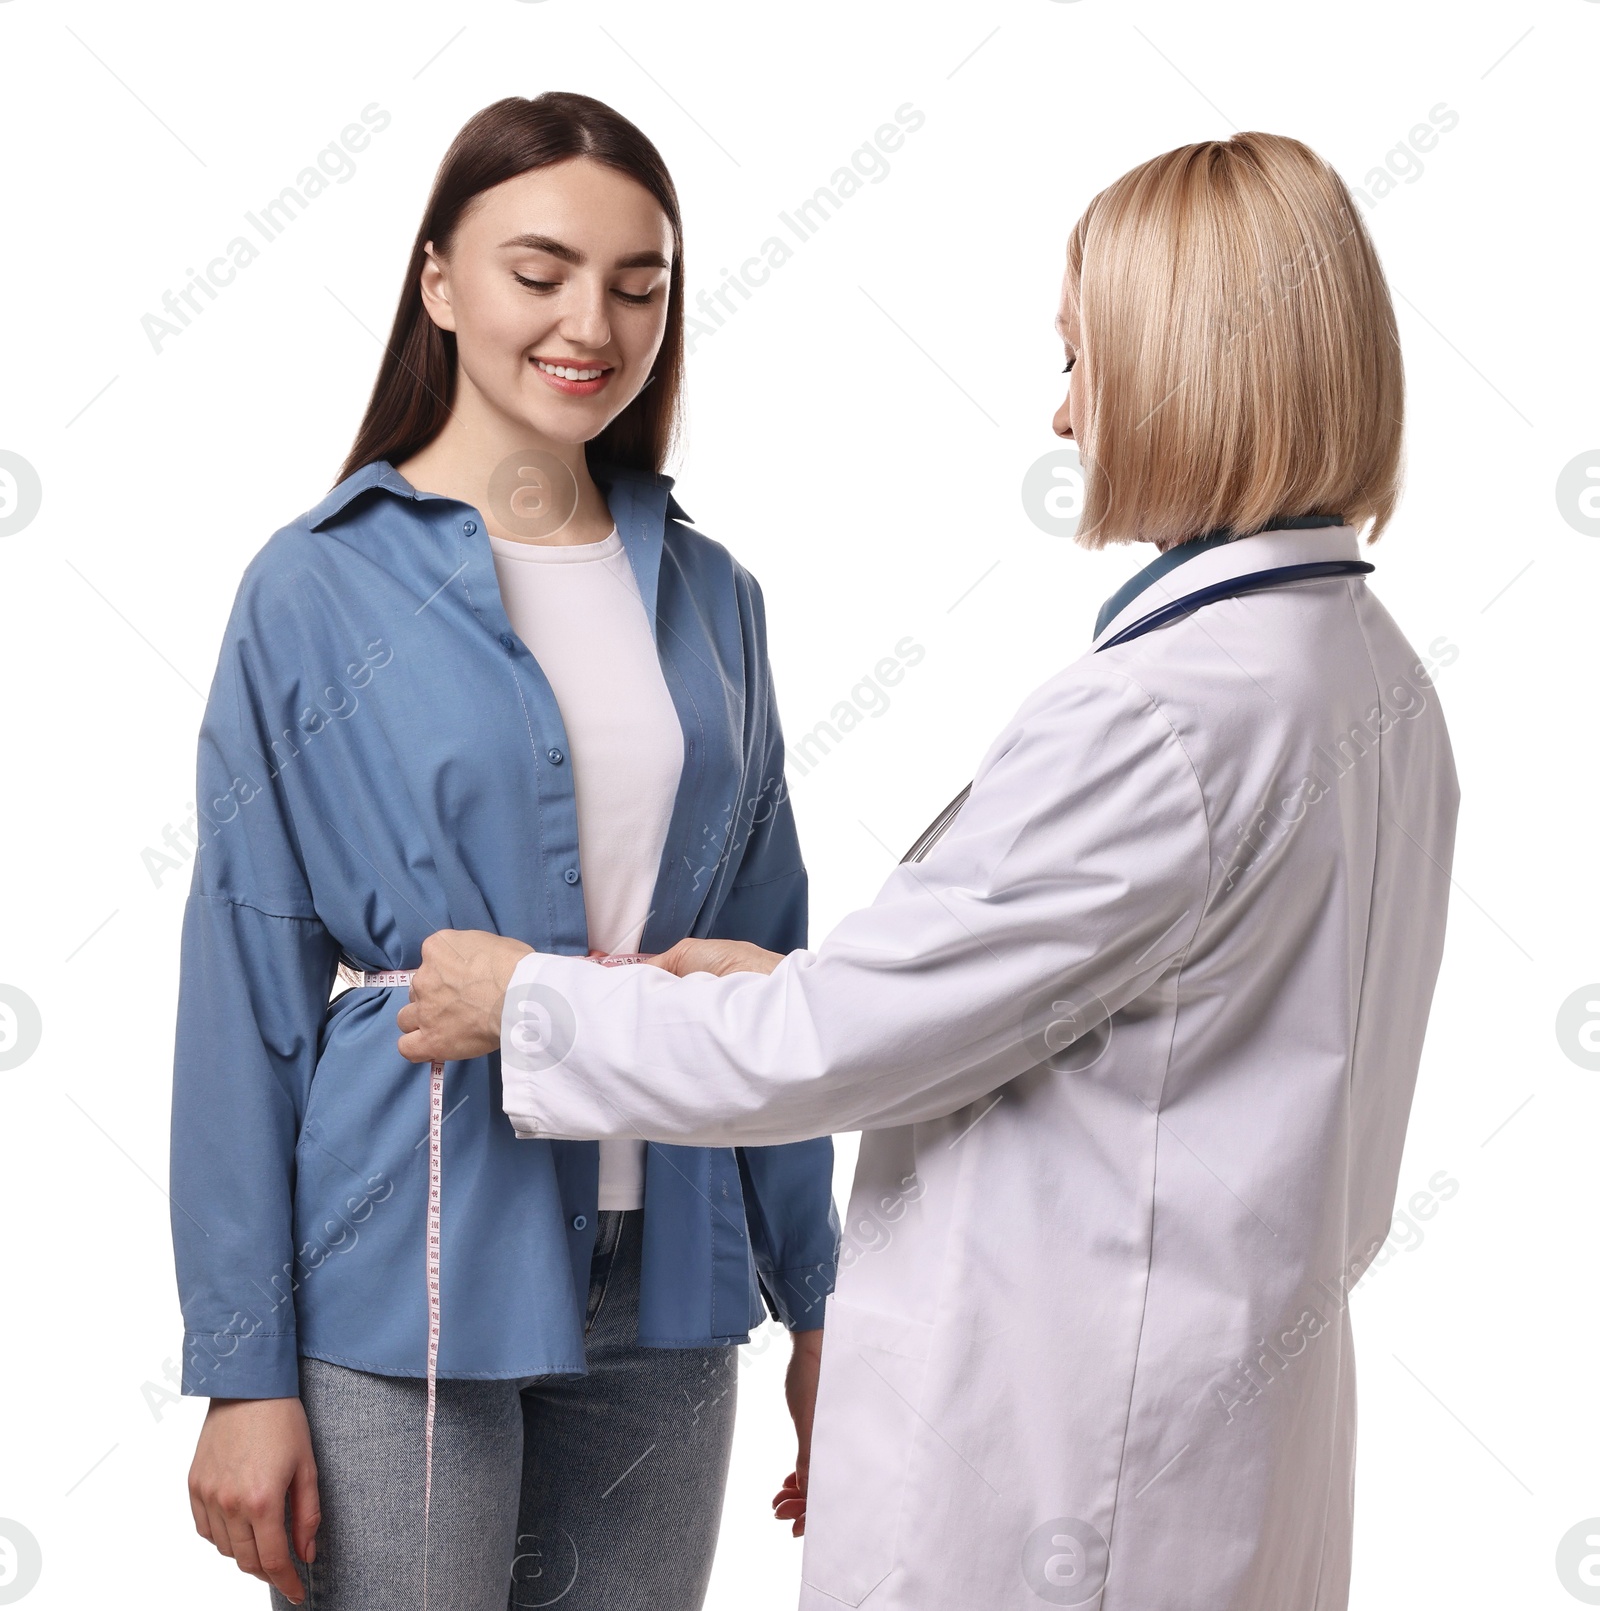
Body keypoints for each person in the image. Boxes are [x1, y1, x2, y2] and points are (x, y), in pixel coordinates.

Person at [399, 132, 1461, 1611]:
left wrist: (529, 1003)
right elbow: (1093, 1010)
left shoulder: (1156, 718)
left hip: (1061, 1485)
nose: (1067, 412)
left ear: (1195, 376)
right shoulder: (1363, 677)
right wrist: (803, 984)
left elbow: (836, 1052)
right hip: (1208, 1447)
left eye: (1090, 362)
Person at [170, 92, 838, 1610]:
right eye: (539, 272)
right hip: (403, 1268)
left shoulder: (713, 599)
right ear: (439, 283)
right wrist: (241, 1369)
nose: (588, 322)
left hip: (672, 1278)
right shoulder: (312, 588)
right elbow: (241, 982)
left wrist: (820, 1305)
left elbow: (774, 980)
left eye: (638, 284)